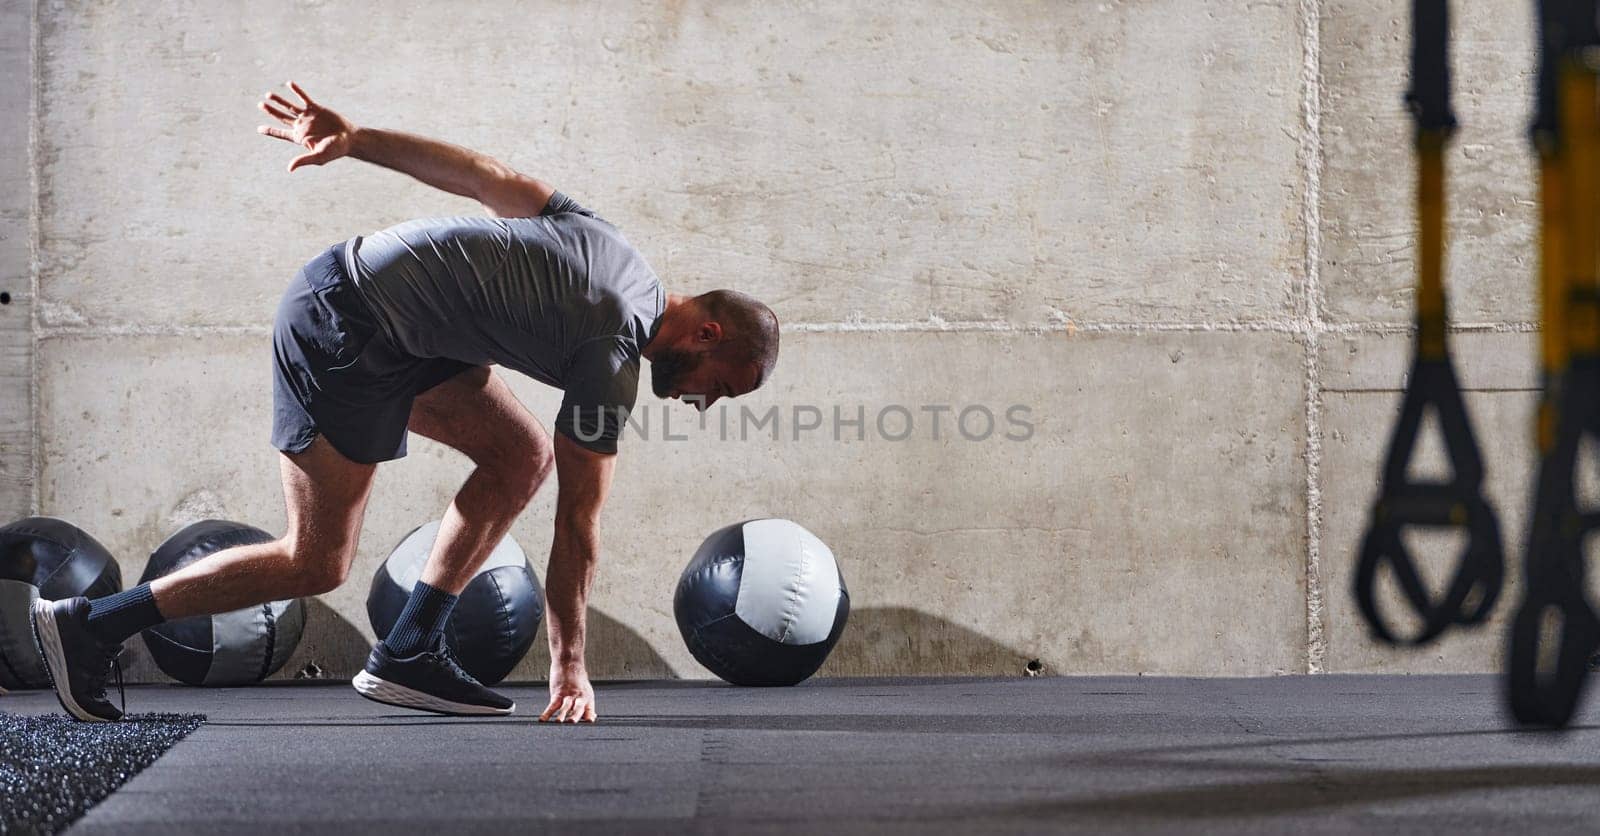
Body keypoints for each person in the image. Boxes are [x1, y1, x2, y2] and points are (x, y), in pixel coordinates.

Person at [29, 81, 779, 724]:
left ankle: (410, 647)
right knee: (316, 562)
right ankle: (91, 625)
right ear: (708, 333)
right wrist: (570, 666)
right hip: (345, 325)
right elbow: (578, 528)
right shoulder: (611, 355)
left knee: (520, 455)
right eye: (723, 385)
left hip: (400, 331)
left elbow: (486, 175)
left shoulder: (615, 250)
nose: (706, 402)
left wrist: (357, 140)